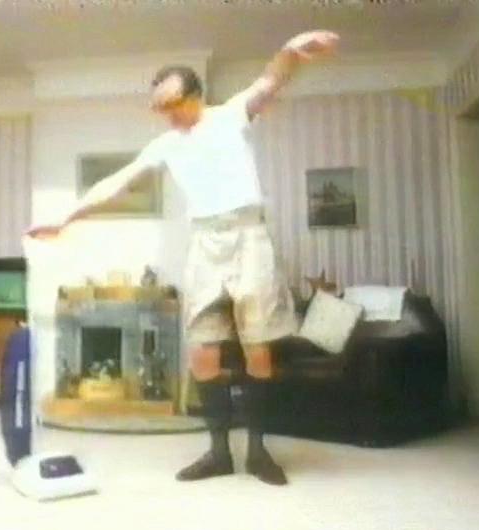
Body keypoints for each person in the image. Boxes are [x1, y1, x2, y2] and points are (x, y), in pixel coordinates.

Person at [26, 30, 340, 486]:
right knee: (202, 354)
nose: (166, 114)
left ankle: (257, 452)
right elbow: (116, 182)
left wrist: (291, 50)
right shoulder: (166, 144)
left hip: (248, 236)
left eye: (172, 104)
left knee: (258, 349)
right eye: (159, 107)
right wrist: (66, 217)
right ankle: (218, 453)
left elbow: (270, 81)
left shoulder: (231, 115)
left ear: (195, 95)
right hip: (204, 243)